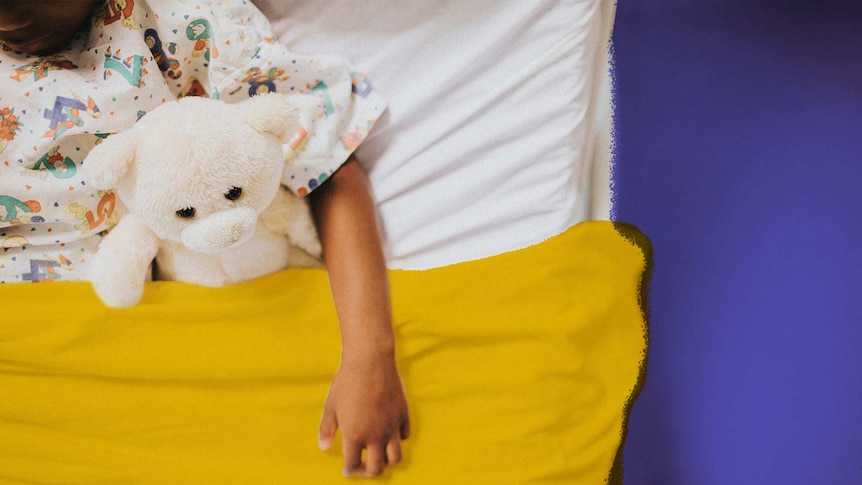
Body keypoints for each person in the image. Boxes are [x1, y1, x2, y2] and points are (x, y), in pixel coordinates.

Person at [0, 0, 408, 478]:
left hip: (212, 323)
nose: (9, 18)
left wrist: (368, 355)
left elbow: (323, 160)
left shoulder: (186, 24)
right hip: (44, 357)